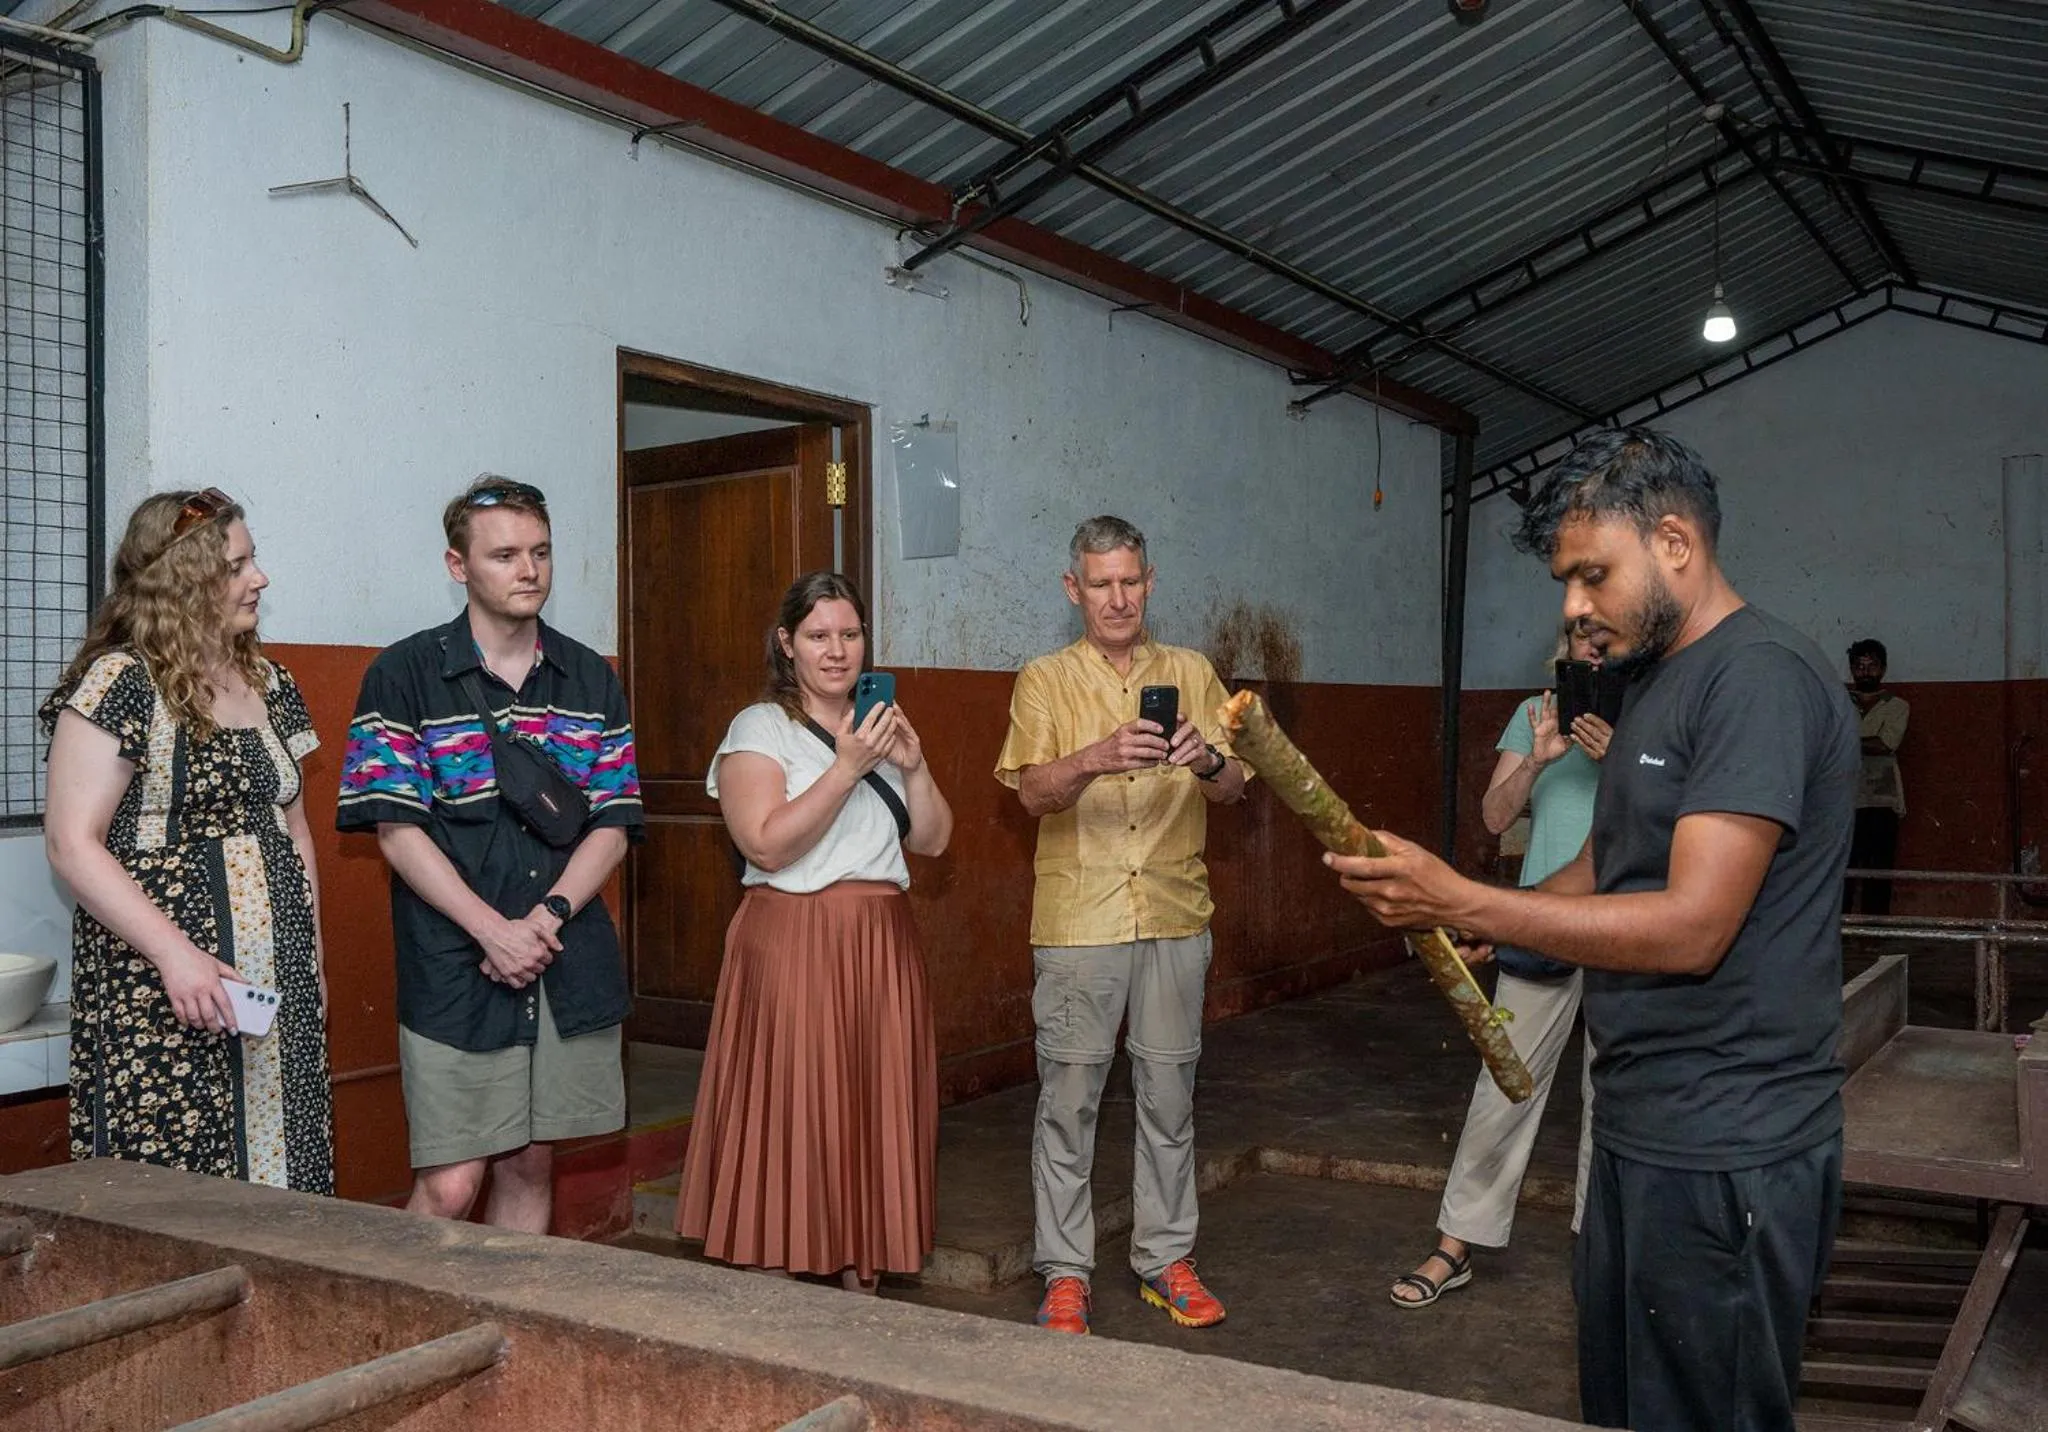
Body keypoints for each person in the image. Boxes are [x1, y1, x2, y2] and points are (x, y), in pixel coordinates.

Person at [1328, 428, 1857, 1431]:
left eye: (1589, 575)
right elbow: (1605, 863)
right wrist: (1513, 931)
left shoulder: (1755, 679)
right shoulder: (1652, 679)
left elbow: (1694, 924)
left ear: (1672, 541)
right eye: (1564, 580)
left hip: (1729, 1140)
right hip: (1639, 1120)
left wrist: (1464, 900)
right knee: (1625, 1403)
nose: (1571, 604)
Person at [338, 476, 642, 1232]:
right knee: (449, 1183)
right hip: (455, 964)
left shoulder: (591, 678)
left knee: (530, 1162)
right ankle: (414, 1340)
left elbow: (613, 819)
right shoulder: (403, 675)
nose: (528, 570)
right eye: (504, 554)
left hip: (562, 958)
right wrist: (494, 931)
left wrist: (547, 918)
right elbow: (397, 830)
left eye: (539, 552)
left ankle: (512, 1340)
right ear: (457, 565)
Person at [995, 515, 1248, 1337]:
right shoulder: (1043, 680)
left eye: (1130, 581)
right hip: (1079, 921)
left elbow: (1238, 785)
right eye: (1100, 583)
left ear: (1150, 582)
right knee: (1068, 1102)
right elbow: (1030, 793)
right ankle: (1065, 1273)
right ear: (1074, 589)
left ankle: (1164, 1261)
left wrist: (1207, 762)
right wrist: (1098, 756)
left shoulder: (1193, 671)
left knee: (1169, 1096)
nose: (1117, 597)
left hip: (1175, 913)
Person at [42, 488, 333, 1193]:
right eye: (237, 565)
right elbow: (72, 844)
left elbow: (293, 826)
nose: (257, 578)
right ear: (184, 580)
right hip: (163, 985)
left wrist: (313, 962)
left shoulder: (271, 680)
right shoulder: (120, 682)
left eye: (252, 560)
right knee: (180, 1183)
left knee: (287, 1171)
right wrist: (179, 957)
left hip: (274, 978)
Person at [677, 571, 953, 1292]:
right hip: (795, 935)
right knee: (796, 1109)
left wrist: (913, 767)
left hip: (880, 938)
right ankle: (780, 1264)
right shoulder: (758, 729)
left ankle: (862, 1258)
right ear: (787, 645)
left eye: (850, 635)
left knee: (873, 1106)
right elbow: (765, 845)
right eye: (819, 636)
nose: (837, 652)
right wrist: (846, 768)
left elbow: (932, 841)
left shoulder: (882, 726)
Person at [1389, 624, 1608, 1309]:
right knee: (1504, 1082)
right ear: (1565, 649)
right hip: (1538, 924)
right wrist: (1541, 758)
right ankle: (1456, 1244)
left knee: (1617, 1090)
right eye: (1581, 637)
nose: (1593, 649)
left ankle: (1599, 1248)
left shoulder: (1658, 715)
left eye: (1606, 638)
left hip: (1632, 925)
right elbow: (1492, 816)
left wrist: (1624, 752)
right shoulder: (1535, 714)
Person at [1843, 638, 1908, 916]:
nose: (1865, 671)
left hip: (1883, 797)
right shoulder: (1837, 700)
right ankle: (1839, 929)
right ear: (1851, 670)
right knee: (1843, 867)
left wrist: (1842, 740)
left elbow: (1886, 744)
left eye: (1872, 666)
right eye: (1859, 666)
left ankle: (1875, 931)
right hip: (1844, 797)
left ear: (1883, 669)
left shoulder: (1897, 705)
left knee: (1879, 869)